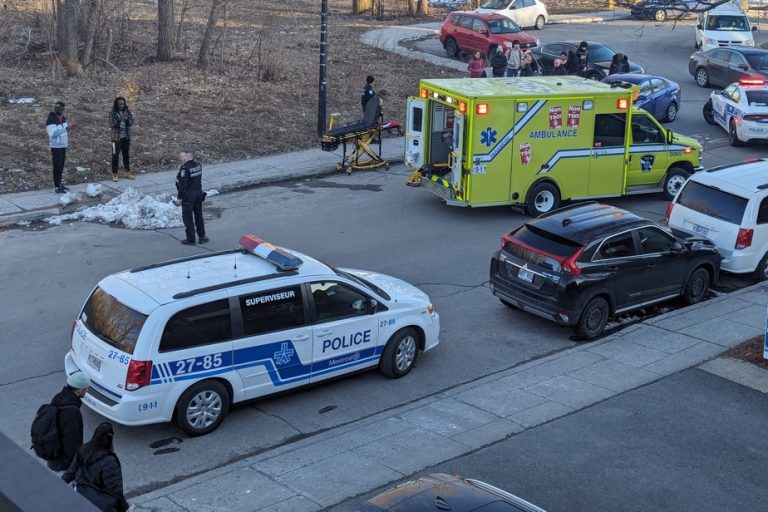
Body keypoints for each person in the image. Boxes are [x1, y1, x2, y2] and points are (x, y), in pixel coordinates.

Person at [63, 422, 133, 512]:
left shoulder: (83, 450)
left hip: (82, 495)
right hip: (100, 502)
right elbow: (115, 491)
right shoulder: (109, 462)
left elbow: (70, 472)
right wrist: (126, 508)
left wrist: (57, 485)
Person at [46, 370, 90, 472]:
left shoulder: (58, 397)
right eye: (86, 389)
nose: (86, 391)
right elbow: (72, 443)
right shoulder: (72, 413)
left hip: (52, 455)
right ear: (79, 390)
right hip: (63, 464)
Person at [174, 150, 208, 245]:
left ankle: (191, 239)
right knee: (198, 216)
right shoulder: (198, 165)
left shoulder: (185, 169)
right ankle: (202, 237)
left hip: (188, 197)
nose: (180, 158)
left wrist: (179, 198)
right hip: (198, 194)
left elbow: (182, 186)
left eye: (181, 156)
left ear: (187, 157)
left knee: (188, 218)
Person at [46, 101, 71, 194]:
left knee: (61, 166)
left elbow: (64, 131)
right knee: (57, 166)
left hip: (63, 145)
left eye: (61, 109)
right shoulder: (51, 119)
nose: (60, 110)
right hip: (56, 146)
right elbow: (52, 134)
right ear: (55, 108)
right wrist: (65, 129)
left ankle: (60, 183)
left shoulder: (63, 118)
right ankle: (57, 186)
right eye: (58, 108)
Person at [109, 97, 135, 182]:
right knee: (115, 156)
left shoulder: (127, 111)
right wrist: (119, 122)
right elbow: (110, 123)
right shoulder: (112, 112)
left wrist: (126, 121)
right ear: (116, 104)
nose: (121, 105)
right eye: (119, 104)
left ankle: (128, 172)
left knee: (126, 155)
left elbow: (132, 120)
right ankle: (114, 174)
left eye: (122, 104)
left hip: (126, 138)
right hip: (115, 139)